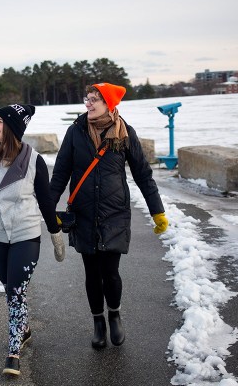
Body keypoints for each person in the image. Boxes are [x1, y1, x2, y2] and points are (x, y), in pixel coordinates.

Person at [49, 83, 169, 349]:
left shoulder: (124, 133)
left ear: (109, 104)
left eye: (94, 99)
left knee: (110, 271)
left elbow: (142, 174)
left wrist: (157, 210)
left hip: (115, 213)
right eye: (87, 99)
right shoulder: (75, 132)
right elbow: (60, 174)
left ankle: (114, 314)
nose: (88, 104)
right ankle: (98, 322)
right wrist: (47, 209)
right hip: (83, 213)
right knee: (91, 272)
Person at [0, 103, 65, 376]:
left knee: (17, 292)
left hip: (25, 236)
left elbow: (45, 201)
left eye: (0, 121)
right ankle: (24, 329)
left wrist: (55, 234)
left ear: (13, 128)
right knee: (11, 289)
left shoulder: (34, 162)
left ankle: (13, 350)